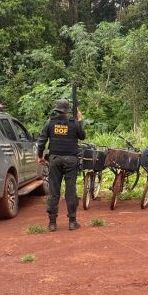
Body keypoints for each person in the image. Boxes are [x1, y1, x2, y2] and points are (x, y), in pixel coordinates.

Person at [37, 99, 86, 232]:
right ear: (68, 111)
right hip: (71, 160)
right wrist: (80, 120)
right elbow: (82, 136)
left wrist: (40, 156)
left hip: (55, 159)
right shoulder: (74, 123)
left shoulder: (50, 123)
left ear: (57, 110)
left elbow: (41, 141)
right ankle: (72, 222)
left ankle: (52, 224)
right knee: (70, 191)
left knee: (53, 191)